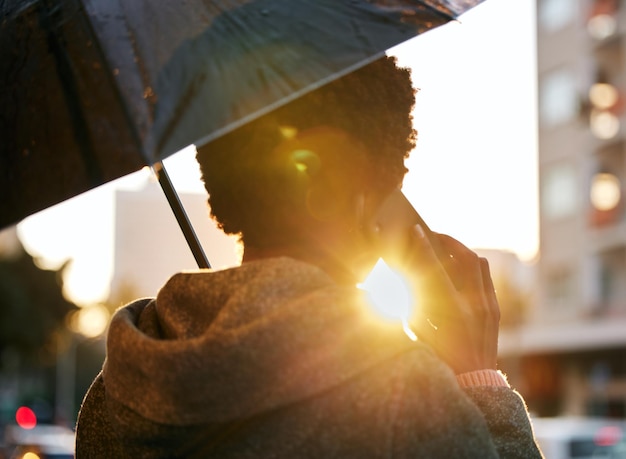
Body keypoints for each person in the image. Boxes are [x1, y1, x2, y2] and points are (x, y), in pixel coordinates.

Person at [75, 56, 543, 458]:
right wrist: (479, 377)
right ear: (337, 190)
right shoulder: (403, 399)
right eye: (388, 182)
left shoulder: (114, 396)